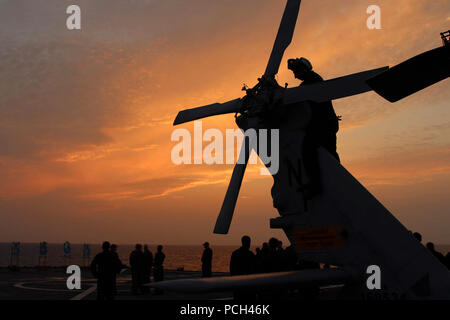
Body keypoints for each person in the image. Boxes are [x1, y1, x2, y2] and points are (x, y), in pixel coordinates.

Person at [287, 57, 340, 198]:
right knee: (329, 153)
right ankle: (334, 180)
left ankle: (316, 186)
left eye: (296, 70)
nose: (295, 74)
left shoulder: (312, 81)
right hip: (325, 124)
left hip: (322, 126)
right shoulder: (312, 80)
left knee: (308, 151)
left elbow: (298, 95)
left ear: (303, 69)